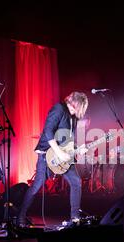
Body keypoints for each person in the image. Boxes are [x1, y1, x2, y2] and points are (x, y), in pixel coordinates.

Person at [17, 91, 89, 227]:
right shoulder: (59, 109)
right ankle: (20, 216)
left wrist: (77, 149)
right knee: (37, 185)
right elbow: (48, 131)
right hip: (47, 153)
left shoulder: (73, 118)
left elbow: (68, 138)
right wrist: (59, 153)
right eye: (76, 109)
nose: (76, 113)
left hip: (63, 156)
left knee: (76, 182)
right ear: (73, 104)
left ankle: (75, 218)